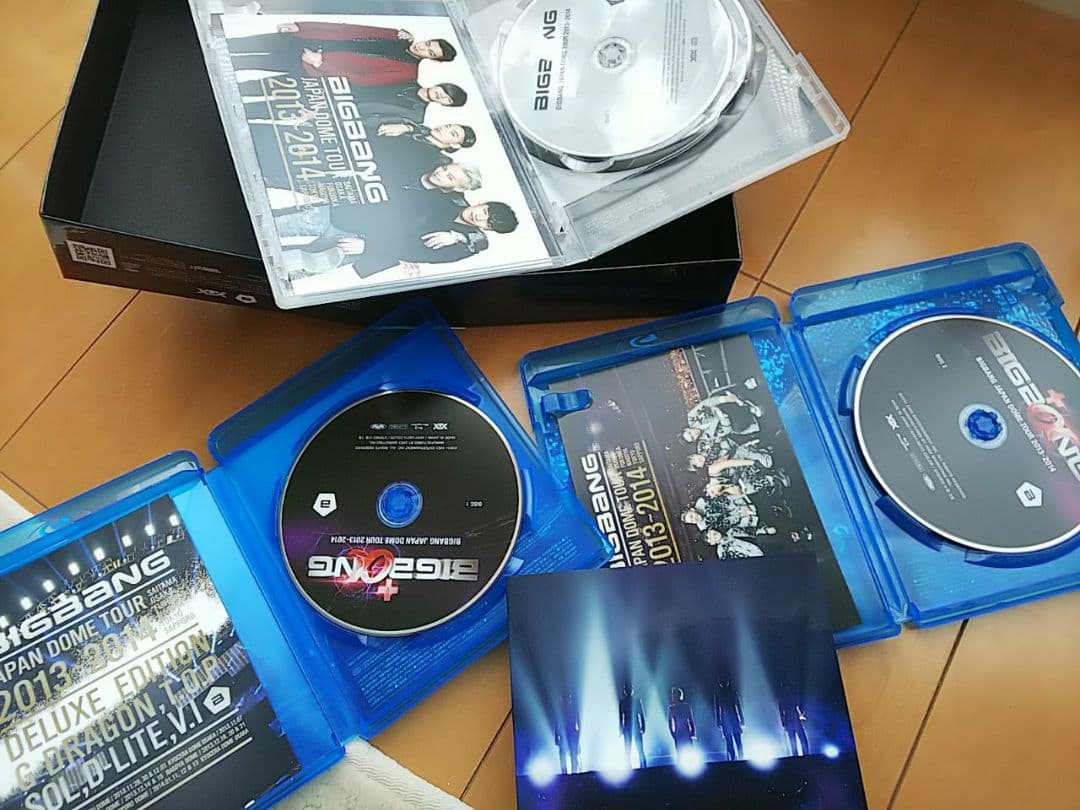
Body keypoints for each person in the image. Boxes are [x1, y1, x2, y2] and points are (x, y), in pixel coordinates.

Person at [227, 22, 455, 85]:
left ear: (433, 60)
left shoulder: (409, 71)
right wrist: (302, 26)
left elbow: (362, 80)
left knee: (248, 63)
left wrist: (320, 64)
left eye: (430, 52)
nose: (422, 48)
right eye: (428, 43)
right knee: (237, 44)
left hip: (309, 62)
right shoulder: (398, 36)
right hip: (305, 39)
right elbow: (347, 29)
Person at [238, 79, 467, 124]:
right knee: (266, 86)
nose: (441, 95)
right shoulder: (406, 77)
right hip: (328, 87)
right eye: (444, 91)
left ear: (445, 105)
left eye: (447, 99)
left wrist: (325, 115)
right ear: (440, 84)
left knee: (265, 110)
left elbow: (368, 118)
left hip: (337, 110)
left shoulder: (416, 115)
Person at [376, 119, 477, 153]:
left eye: (452, 133)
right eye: (448, 126)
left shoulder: (431, 157)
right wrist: (408, 128)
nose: (444, 129)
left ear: (455, 145)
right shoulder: (416, 127)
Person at [713, 676, 745, 761]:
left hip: (731, 718)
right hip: (729, 718)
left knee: (734, 740)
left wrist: (718, 720)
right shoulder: (728, 693)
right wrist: (718, 720)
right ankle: (735, 758)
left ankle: (737, 757)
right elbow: (717, 708)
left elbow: (738, 706)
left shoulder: (730, 692)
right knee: (732, 740)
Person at [618, 684, 647, 769]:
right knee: (636, 748)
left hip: (629, 727)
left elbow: (621, 718)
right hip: (633, 727)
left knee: (631, 749)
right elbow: (641, 715)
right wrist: (643, 726)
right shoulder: (636, 701)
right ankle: (642, 765)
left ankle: (636, 766)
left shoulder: (624, 702)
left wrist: (621, 729)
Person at [777, 685, 809, 756]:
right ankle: (803, 755)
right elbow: (782, 711)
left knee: (795, 740)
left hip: (791, 720)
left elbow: (782, 711)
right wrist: (784, 723)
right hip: (792, 720)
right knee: (797, 740)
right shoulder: (786, 697)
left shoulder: (784, 697)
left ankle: (800, 755)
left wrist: (783, 723)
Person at [667, 687, 696, 755]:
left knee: (689, 751)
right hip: (678, 733)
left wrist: (693, 731)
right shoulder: (671, 708)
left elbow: (690, 720)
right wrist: (672, 733)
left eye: (674, 695)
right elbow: (670, 722)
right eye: (673, 695)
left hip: (686, 732)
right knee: (680, 752)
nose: (673, 697)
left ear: (679, 696)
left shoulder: (686, 707)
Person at [559, 693, 581, 774]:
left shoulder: (574, 710)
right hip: (564, 733)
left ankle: (574, 771)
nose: (567, 701)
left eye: (568, 699)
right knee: (563, 752)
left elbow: (578, 723)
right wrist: (557, 735)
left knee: (573, 752)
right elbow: (557, 723)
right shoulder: (561, 711)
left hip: (572, 733)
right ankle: (564, 771)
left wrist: (578, 734)